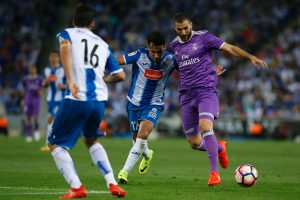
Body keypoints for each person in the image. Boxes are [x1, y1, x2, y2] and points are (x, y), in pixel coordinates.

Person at [168, 13, 268, 186]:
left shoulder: (204, 38)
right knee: (194, 142)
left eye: (185, 27)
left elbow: (229, 48)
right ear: (175, 28)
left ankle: (214, 174)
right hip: (185, 96)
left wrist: (250, 56)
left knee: (205, 126)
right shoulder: (173, 46)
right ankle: (220, 147)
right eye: (179, 29)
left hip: (206, 92)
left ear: (190, 24)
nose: (183, 32)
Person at [116, 31, 226, 184]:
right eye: (153, 52)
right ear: (147, 47)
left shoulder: (170, 59)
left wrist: (211, 73)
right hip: (133, 103)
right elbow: (117, 61)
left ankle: (124, 173)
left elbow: (192, 70)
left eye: (159, 51)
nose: (156, 55)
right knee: (137, 140)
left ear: (164, 48)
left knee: (142, 136)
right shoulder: (139, 55)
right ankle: (147, 155)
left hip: (154, 104)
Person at [47, 4, 126, 198]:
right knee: (91, 139)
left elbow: (64, 49)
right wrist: (104, 80)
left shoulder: (67, 34)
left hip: (77, 97)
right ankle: (113, 184)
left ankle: (76, 187)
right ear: (92, 23)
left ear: (74, 22)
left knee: (54, 144)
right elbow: (121, 75)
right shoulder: (103, 44)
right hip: (99, 101)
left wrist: (71, 80)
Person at [40, 50, 66, 152]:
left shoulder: (63, 69)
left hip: (60, 98)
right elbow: (44, 85)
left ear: (59, 58)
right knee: (54, 120)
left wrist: (63, 86)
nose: (53, 58)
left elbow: (69, 83)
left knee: (51, 119)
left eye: (55, 56)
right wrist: (46, 81)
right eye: (52, 56)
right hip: (51, 98)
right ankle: (56, 142)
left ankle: (49, 143)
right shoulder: (47, 70)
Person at [22, 65, 43, 142]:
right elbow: (24, 88)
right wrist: (23, 99)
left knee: (36, 116)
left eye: (33, 68)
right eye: (30, 68)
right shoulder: (25, 79)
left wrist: (41, 92)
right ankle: (29, 134)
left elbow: (42, 88)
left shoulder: (39, 78)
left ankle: (36, 132)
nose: (32, 70)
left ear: (36, 69)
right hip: (28, 99)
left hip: (36, 99)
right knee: (28, 117)